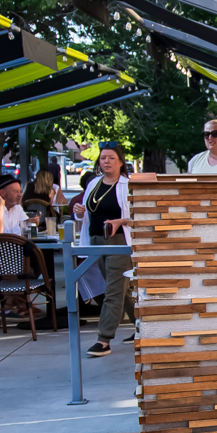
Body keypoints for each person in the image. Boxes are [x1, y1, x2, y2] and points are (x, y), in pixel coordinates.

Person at [82, 145, 134, 358]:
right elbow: (88, 214)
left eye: (111, 158)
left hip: (118, 242)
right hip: (96, 241)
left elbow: (140, 215)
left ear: (120, 162)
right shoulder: (93, 184)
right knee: (124, 290)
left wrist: (120, 221)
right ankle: (144, 326)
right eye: (103, 158)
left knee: (112, 291)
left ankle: (104, 339)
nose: (106, 161)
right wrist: (78, 212)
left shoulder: (127, 186)